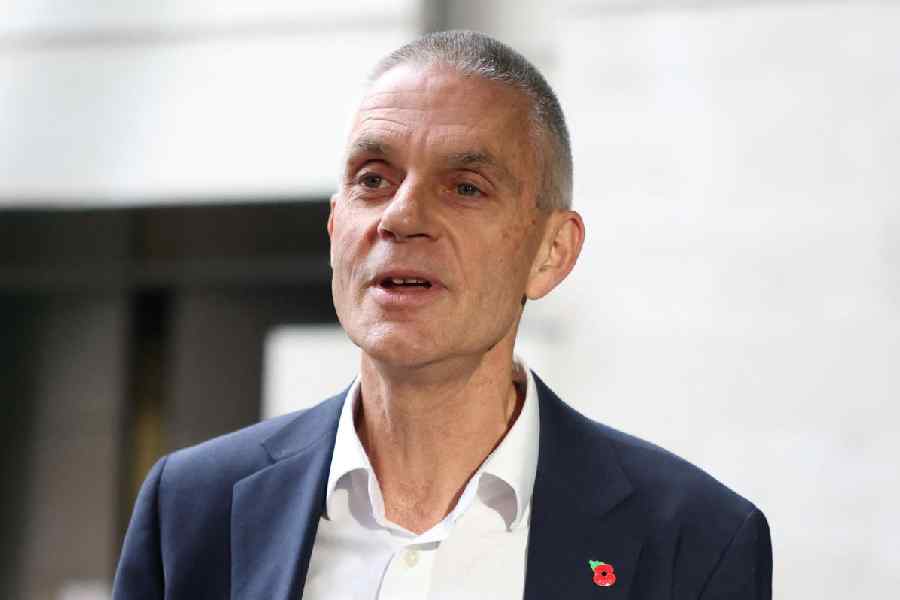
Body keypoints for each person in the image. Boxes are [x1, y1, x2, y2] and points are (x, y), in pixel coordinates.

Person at [113, 31, 772, 599]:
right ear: (336, 224)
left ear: (551, 252)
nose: (401, 216)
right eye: (373, 178)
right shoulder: (192, 510)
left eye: (465, 187)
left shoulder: (693, 538)